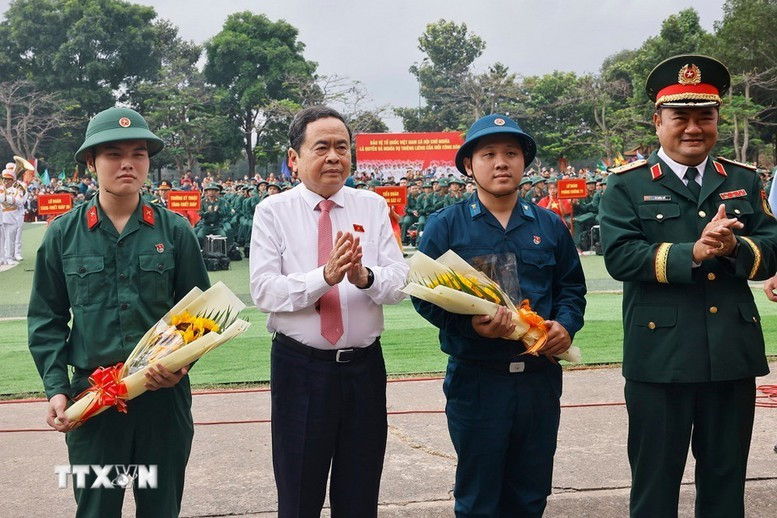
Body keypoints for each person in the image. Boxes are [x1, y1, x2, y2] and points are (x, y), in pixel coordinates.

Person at [599, 55, 777, 518]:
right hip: (661, 359)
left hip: (730, 355)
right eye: (681, 117)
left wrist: (735, 248)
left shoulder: (741, 179)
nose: (693, 128)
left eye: (705, 116)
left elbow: (772, 248)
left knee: (725, 484)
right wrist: (693, 252)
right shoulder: (627, 186)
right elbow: (620, 256)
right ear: (658, 122)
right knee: (655, 485)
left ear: (718, 120)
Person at [27, 107, 210, 517]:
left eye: (138, 153)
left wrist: (180, 367)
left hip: (162, 401)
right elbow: (47, 319)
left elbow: (201, 315)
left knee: (160, 508)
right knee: (97, 509)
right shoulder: (63, 234)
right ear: (91, 162)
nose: (127, 163)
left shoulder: (175, 231)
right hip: (93, 402)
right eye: (113, 153)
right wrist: (57, 388)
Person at [413, 114, 586, 517]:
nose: (501, 162)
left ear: (525, 163)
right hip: (477, 380)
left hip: (539, 379)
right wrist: (469, 325)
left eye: (511, 153)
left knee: (530, 493)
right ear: (469, 165)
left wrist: (565, 325)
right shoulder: (445, 226)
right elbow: (423, 297)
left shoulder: (550, 225)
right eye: (488, 153)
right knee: (478, 497)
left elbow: (571, 289)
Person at [249, 106, 408, 518]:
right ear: (294, 159)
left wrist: (364, 276)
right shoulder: (273, 212)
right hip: (301, 369)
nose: (334, 157)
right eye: (321, 147)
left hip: (364, 370)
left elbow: (400, 283)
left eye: (342, 147)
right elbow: (264, 291)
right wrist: (326, 275)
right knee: (299, 494)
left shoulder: (372, 206)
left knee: (359, 493)